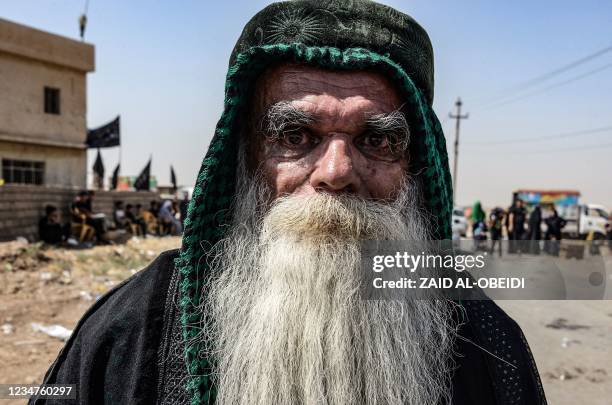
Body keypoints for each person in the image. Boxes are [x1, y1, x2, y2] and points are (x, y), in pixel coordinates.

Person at [33, 2, 546, 404]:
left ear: (417, 168)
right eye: (296, 135)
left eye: (379, 140)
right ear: (246, 159)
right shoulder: (136, 327)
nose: (337, 171)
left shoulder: (485, 342)